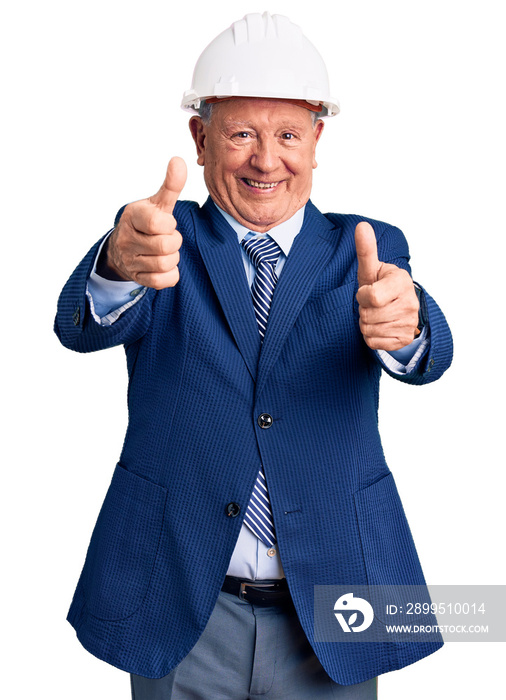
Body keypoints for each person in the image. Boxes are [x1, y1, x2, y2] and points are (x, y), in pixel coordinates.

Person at [54, 12, 453, 700]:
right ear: (199, 139)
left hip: (335, 606)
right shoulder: (161, 239)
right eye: (241, 134)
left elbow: (426, 348)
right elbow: (81, 327)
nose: (266, 161)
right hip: (180, 599)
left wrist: (407, 323)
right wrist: (117, 264)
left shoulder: (366, 244)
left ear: (317, 140)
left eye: (288, 135)